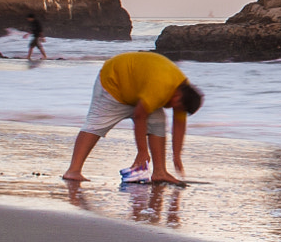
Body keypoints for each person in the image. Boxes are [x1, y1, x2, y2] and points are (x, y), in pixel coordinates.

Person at [60, 51, 204, 185]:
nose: (174, 110)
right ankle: (73, 171)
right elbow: (139, 116)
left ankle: (160, 172)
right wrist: (142, 151)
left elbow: (179, 123)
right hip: (113, 82)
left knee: (158, 122)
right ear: (177, 97)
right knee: (96, 125)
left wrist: (177, 156)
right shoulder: (161, 88)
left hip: (138, 88)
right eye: (176, 107)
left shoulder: (183, 92)